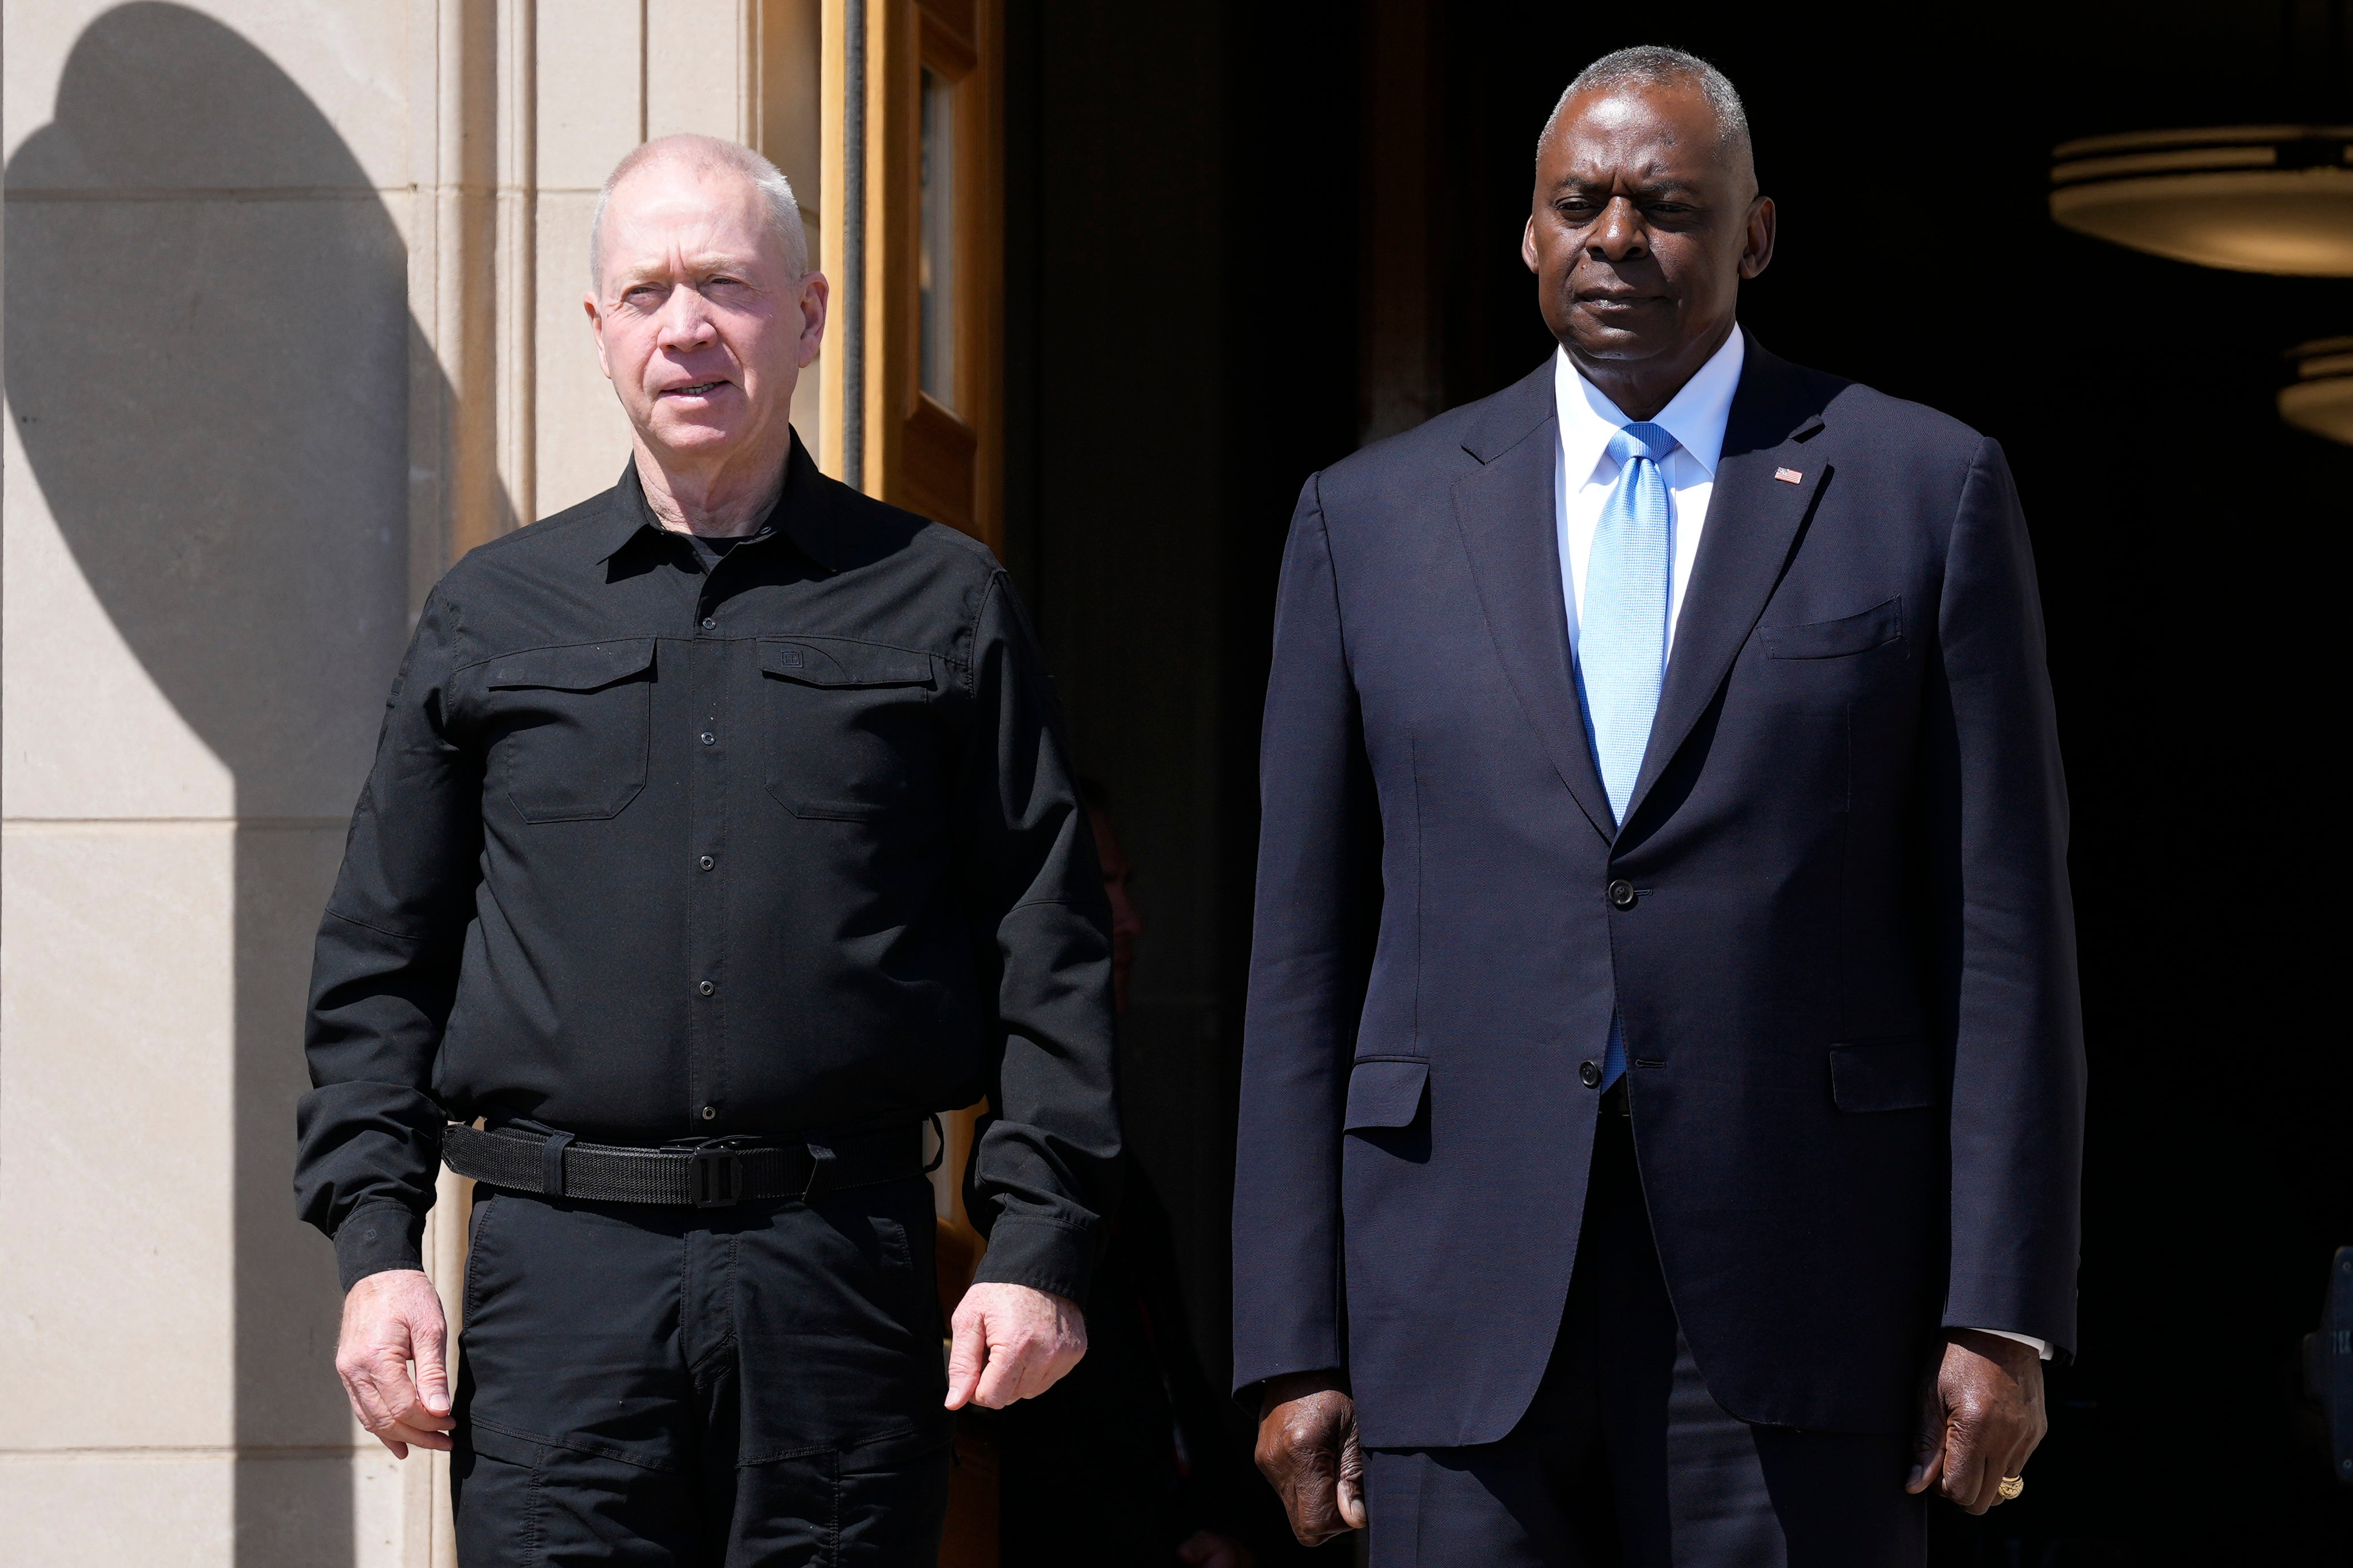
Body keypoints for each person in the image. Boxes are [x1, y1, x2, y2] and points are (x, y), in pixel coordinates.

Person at [1233, 46, 2083, 1565]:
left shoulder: (1916, 486)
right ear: (1526, 232)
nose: (1614, 240)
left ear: (1753, 237)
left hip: (1804, 1283)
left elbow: (2002, 931)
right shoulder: (1365, 519)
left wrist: (1998, 1307)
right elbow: (1301, 952)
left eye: (1666, 208)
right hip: (1451, 1290)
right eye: (1578, 204)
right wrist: (1290, 1339)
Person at [294, 133, 1119, 1563]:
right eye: (650, 290)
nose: (687, 326)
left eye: (727, 286)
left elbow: (1049, 939)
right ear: (601, 328)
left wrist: (1039, 1238)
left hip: (841, 1274)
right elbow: (382, 957)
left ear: (805, 317)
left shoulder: (940, 602)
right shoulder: (492, 615)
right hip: (559, 1290)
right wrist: (378, 1250)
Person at [995, 783, 1270, 1568]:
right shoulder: (990, 1158)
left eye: (1125, 888)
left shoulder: (1124, 1171)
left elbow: (1170, 1385)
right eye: (1099, 888)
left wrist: (1225, 1525)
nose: (1129, 920)